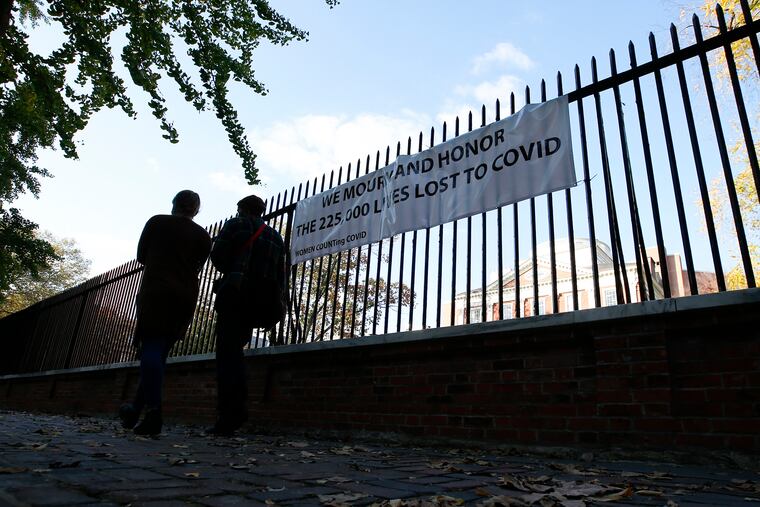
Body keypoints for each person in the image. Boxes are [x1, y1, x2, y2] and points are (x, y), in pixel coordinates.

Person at [119, 190, 212, 436]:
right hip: (186, 295)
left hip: (157, 290)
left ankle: (154, 412)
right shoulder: (204, 236)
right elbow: (198, 265)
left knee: (150, 346)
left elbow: (141, 256)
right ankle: (134, 410)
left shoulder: (157, 222)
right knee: (159, 351)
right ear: (196, 210)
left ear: (174, 205)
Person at [207, 194, 286, 436]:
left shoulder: (235, 224)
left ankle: (231, 412)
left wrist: (234, 268)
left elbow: (218, 255)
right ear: (262, 211)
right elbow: (281, 272)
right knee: (236, 349)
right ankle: (235, 409)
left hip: (236, 293)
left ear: (241, 208)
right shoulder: (275, 236)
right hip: (260, 299)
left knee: (227, 353)